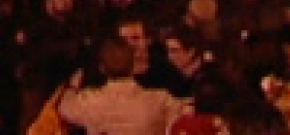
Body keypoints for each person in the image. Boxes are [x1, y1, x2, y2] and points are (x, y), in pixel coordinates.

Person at [55, 33, 190, 135]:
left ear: (102, 68)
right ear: (133, 65)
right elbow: (188, 110)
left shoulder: (89, 101)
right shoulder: (159, 100)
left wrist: (73, 87)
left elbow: (64, 107)